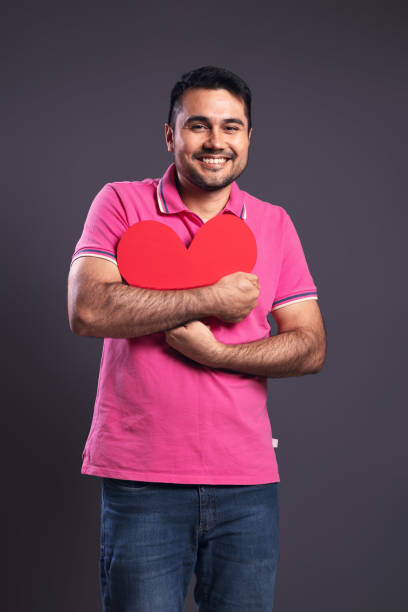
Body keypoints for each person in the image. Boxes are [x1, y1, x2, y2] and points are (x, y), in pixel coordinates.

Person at [67, 65, 326, 612]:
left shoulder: (274, 222)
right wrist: (210, 297)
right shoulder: (120, 203)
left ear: (249, 138)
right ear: (170, 134)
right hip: (141, 482)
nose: (215, 142)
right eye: (198, 125)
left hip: (248, 482)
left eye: (231, 127)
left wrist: (218, 354)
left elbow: (310, 345)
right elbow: (88, 310)